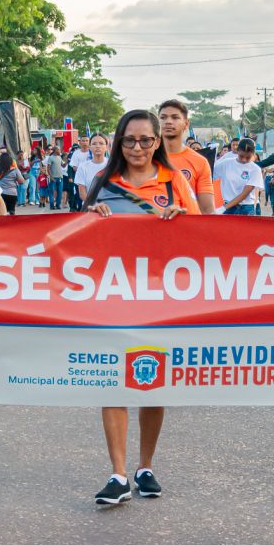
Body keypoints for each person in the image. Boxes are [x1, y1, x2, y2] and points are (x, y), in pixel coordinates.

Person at [85, 110, 199, 505]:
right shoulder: (103, 183)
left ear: (157, 142)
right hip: (111, 297)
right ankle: (117, 475)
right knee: (112, 380)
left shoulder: (174, 182)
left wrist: (182, 220)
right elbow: (76, 243)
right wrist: (90, 217)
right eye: (129, 140)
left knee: (151, 381)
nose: (137, 148)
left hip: (160, 298)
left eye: (145, 140)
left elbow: (205, 238)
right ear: (118, 141)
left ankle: (144, 467)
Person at [157, 100, 216, 214]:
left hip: (188, 224)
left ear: (186, 123)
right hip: (154, 223)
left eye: (175, 117)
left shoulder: (200, 162)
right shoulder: (147, 158)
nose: (168, 121)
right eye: (163, 117)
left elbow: (207, 209)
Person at [215, 138, 263, 215]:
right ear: (237, 151)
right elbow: (209, 174)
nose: (244, 160)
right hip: (228, 206)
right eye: (241, 156)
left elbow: (244, 194)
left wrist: (224, 208)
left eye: (248, 157)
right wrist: (210, 155)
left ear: (253, 154)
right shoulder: (226, 163)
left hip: (246, 208)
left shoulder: (255, 169)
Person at [75, 133, 110, 204]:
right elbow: (82, 193)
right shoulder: (83, 167)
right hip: (89, 207)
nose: (98, 146)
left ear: (106, 147)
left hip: (110, 207)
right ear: (90, 147)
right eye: (94, 144)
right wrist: (94, 206)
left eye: (101, 143)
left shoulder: (112, 165)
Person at [44, 145, 65, 210]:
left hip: (60, 177)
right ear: (55, 150)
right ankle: (52, 205)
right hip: (53, 178)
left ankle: (58, 205)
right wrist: (51, 176)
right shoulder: (51, 157)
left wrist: (67, 160)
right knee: (52, 192)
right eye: (58, 149)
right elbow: (48, 168)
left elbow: (63, 165)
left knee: (60, 192)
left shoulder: (59, 157)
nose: (59, 150)